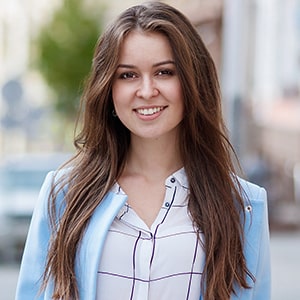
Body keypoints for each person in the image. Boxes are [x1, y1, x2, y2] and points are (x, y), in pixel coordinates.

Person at [15, 2, 271, 300]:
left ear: (192, 82)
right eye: (128, 75)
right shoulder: (63, 195)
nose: (147, 90)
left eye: (164, 72)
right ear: (108, 89)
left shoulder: (243, 206)